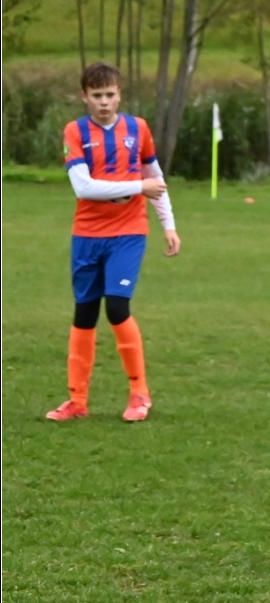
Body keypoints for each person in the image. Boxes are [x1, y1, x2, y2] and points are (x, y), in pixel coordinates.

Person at [48, 61, 180, 423]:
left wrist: (168, 225)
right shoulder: (75, 131)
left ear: (119, 94)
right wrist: (139, 186)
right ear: (84, 97)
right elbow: (83, 187)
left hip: (128, 232)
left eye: (109, 94)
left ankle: (140, 394)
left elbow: (156, 178)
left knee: (117, 308)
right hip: (87, 234)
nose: (104, 102)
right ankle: (77, 401)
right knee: (84, 313)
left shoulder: (138, 129)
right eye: (97, 95)